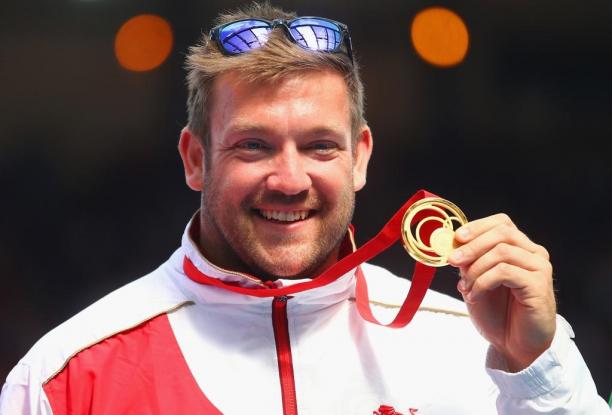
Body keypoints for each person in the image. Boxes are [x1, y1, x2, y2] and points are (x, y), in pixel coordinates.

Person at [0, 3, 609, 414]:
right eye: (252, 146)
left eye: (319, 145)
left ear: (360, 156)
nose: (290, 180)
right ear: (194, 159)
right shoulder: (69, 377)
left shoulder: (473, 349)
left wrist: (538, 368)